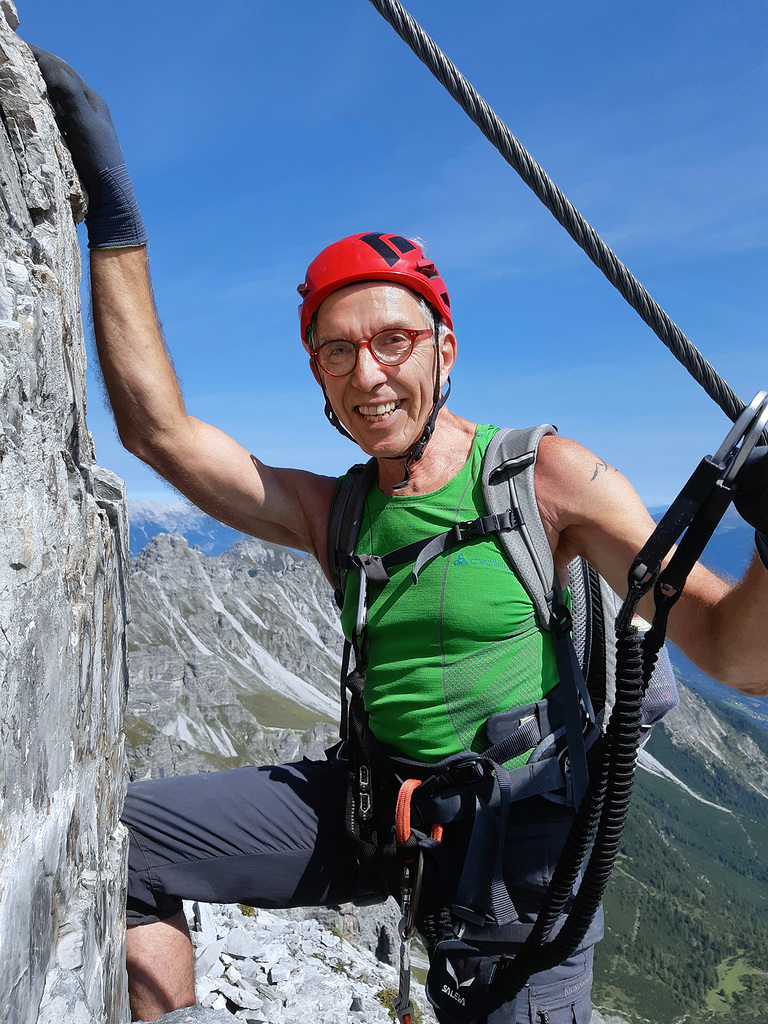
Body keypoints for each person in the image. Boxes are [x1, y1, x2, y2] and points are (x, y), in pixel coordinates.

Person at [30, 48, 768, 1024]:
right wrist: (114, 216)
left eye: (393, 340)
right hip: (376, 813)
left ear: (444, 349)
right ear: (319, 379)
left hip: (518, 875)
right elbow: (157, 432)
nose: (368, 373)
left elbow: (734, 651)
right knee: (123, 838)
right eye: (337, 351)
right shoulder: (336, 513)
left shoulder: (547, 479)